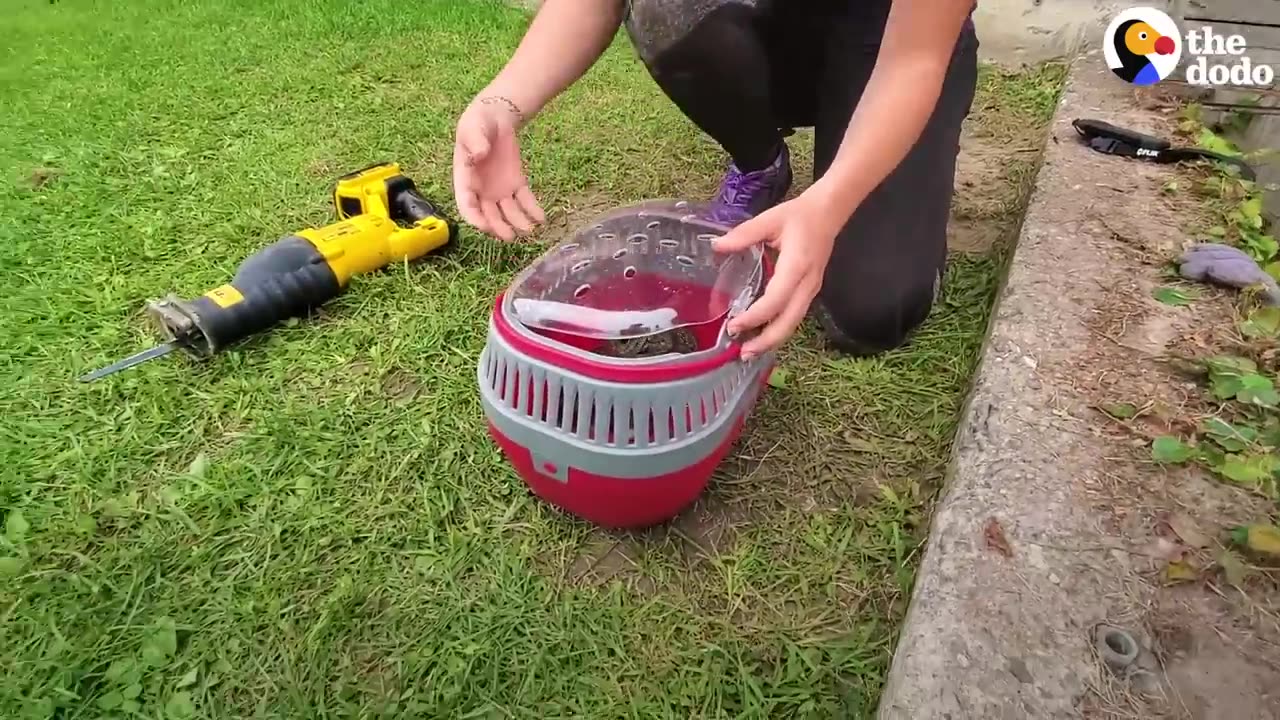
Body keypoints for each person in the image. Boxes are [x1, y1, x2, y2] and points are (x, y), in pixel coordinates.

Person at [451, 0, 980, 362]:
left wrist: (831, 202)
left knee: (871, 311)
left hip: (892, 34)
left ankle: (861, 166)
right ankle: (761, 163)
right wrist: (503, 103)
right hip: (771, 18)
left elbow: (913, 59)